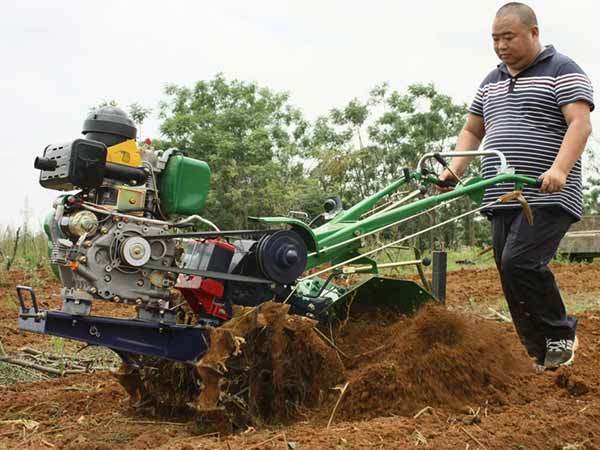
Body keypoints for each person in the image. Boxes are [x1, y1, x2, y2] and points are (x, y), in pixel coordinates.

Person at [438, 2, 594, 370]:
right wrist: (454, 171)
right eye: (495, 38)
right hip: (501, 193)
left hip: (546, 192)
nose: (501, 45)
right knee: (507, 270)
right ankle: (538, 353)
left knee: (520, 261)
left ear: (534, 33)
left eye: (508, 37)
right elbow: (473, 129)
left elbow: (579, 124)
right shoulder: (491, 81)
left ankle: (560, 335)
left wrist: (558, 170)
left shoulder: (563, 70)